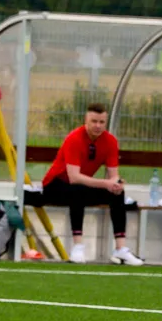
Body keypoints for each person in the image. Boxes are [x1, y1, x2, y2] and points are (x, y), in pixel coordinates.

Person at [35, 103, 142, 264]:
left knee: (117, 194)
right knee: (78, 190)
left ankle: (121, 249)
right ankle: (78, 247)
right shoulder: (74, 138)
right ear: (86, 120)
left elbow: (113, 175)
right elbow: (74, 177)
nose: (98, 126)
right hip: (55, 186)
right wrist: (106, 183)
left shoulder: (110, 141)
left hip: (80, 187)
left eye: (102, 122)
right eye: (94, 121)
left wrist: (117, 184)